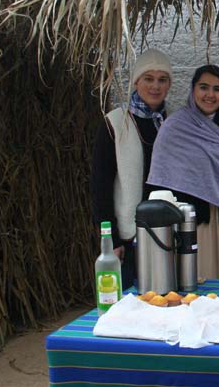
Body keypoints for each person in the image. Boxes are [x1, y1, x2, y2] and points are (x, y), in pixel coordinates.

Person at [147, 65, 219, 280]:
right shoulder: (175, 127)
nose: (210, 95)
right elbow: (162, 182)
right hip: (193, 223)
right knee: (199, 286)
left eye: (217, 89)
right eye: (204, 87)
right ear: (193, 90)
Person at [90, 48, 173, 287]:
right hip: (129, 239)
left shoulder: (171, 124)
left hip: (165, 234)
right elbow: (100, 187)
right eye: (148, 79)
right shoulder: (115, 123)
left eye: (162, 79)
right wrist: (112, 240)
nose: (155, 86)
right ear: (136, 82)